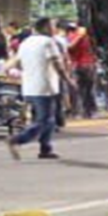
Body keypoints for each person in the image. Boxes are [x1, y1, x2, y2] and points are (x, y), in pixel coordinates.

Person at [7, 17, 70, 161]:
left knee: (49, 119)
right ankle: (17, 140)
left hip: (28, 87)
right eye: (52, 26)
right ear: (46, 27)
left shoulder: (26, 42)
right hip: (44, 87)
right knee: (44, 120)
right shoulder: (49, 42)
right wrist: (67, 80)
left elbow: (15, 60)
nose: (54, 29)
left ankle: (45, 149)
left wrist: (6, 69)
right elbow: (57, 64)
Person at [64, 22, 98, 119]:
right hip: (89, 65)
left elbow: (69, 49)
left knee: (78, 90)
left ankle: (79, 111)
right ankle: (90, 111)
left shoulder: (73, 37)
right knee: (88, 90)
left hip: (78, 66)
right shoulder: (88, 37)